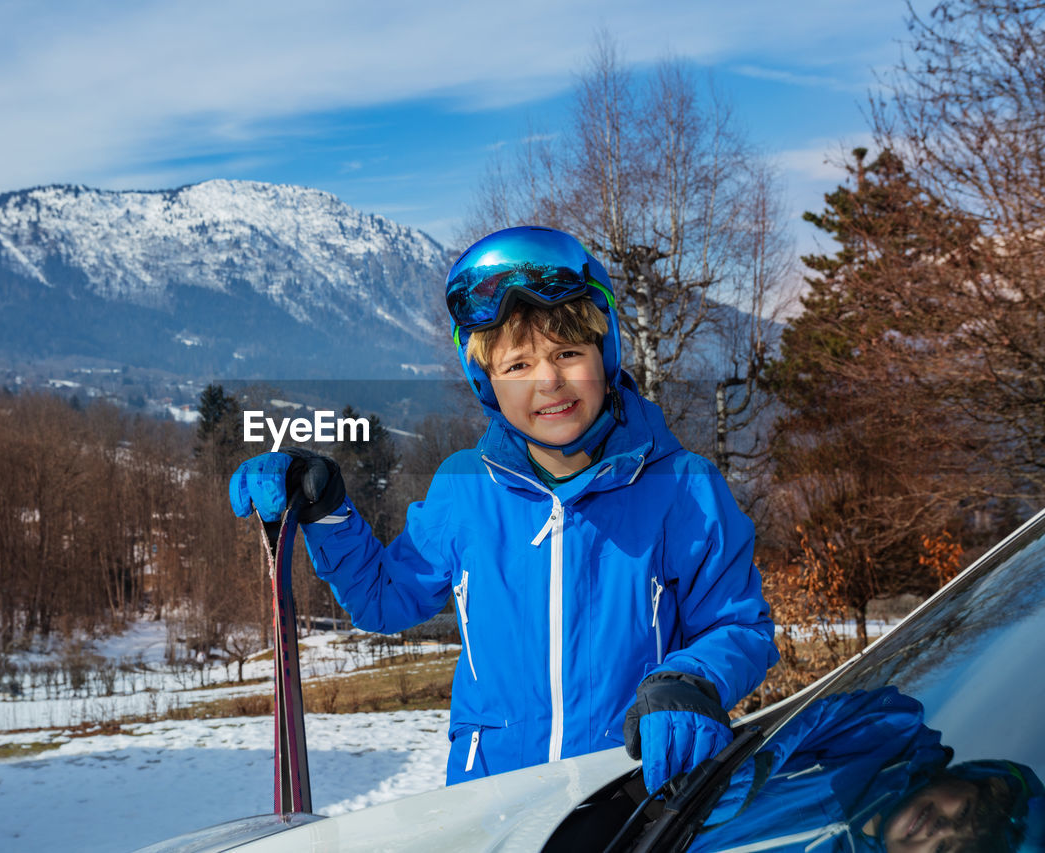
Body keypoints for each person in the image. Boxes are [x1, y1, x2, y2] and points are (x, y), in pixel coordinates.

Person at [229, 226, 779, 792]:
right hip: (492, 806)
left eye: (568, 353)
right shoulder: (465, 489)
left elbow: (739, 625)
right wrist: (327, 512)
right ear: (486, 381)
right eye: (517, 365)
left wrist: (690, 680)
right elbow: (383, 599)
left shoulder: (683, 488)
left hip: (634, 799)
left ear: (605, 353)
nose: (548, 382)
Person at [689, 687, 1045, 852]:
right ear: (966, 778)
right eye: (965, 811)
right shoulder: (883, 734)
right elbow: (802, 724)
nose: (941, 828)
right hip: (652, 809)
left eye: (943, 851)